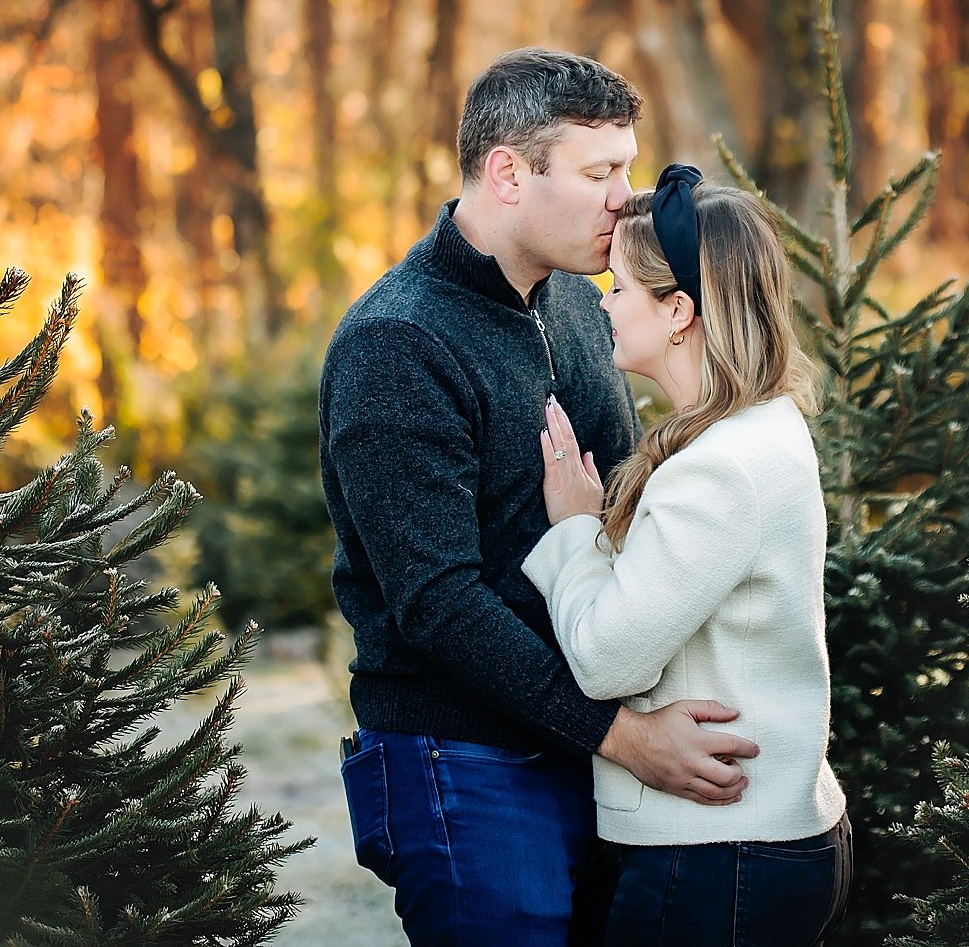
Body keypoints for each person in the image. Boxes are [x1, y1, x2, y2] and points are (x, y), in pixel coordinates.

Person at [321, 50, 763, 947]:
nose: (625, 200)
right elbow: (438, 603)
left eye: (629, 169)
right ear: (508, 173)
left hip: (582, 741)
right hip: (463, 759)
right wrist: (624, 737)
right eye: (601, 172)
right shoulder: (395, 343)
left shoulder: (575, 299)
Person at [525, 164, 853, 946]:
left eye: (620, 288)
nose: (602, 304)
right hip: (759, 843)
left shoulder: (718, 466)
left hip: (716, 856)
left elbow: (608, 660)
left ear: (678, 310)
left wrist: (574, 526)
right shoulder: (762, 427)